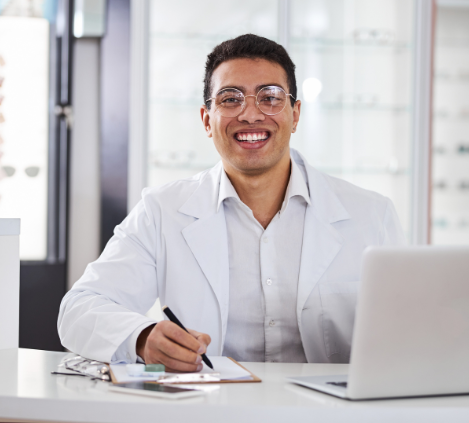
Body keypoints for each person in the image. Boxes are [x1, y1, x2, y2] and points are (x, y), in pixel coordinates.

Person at [58, 34, 405, 371]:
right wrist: (142, 338)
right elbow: (79, 309)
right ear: (207, 120)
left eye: (269, 97)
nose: (251, 115)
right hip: (211, 408)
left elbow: (409, 331)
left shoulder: (371, 215)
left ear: (295, 114)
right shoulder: (161, 212)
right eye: (230, 99)